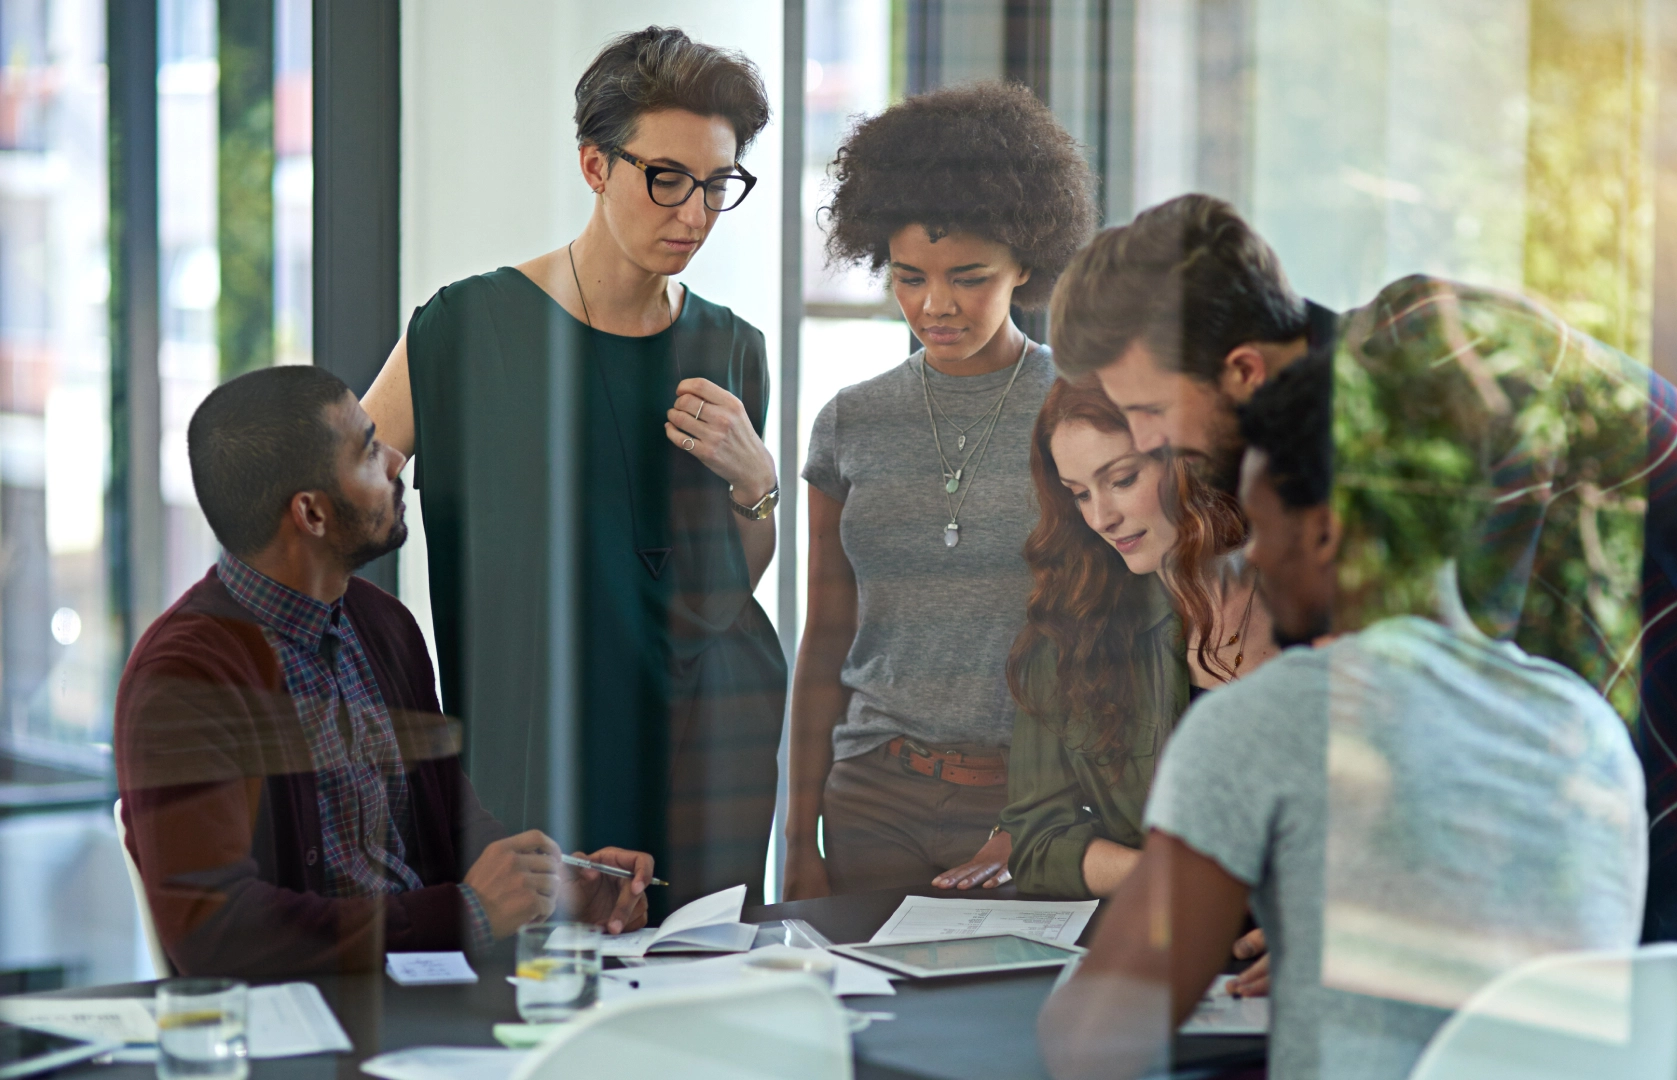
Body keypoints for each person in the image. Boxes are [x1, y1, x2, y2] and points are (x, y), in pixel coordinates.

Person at [1046, 193, 1677, 1077]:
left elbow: (1458, 673)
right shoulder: (1333, 447)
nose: (1150, 442)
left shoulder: (1432, 345)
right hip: (1627, 729)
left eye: (1145, 410)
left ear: (1245, 370)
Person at [1038, 354, 1650, 1080]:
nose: (1254, 557)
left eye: (1262, 528)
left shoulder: (1264, 721)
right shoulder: (1588, 727)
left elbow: (1095, 1042)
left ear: (1324, 533)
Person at [359, 29, 784, 912]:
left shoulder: (734, 347)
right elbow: (334, 509)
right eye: (666, 178)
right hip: (531, 738)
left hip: (702, 750)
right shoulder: (467, 328)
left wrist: (757, 481)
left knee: (697, 1009)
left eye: (717, 185)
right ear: (595, 165)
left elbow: (728, 584)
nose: (694, 214)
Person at [115, 367, 654, 977]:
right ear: (311, 514)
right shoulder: (183, 678)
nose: (397, 458)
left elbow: (453, 824)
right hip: (315, 1040)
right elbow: (220, 932)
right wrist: (469, 914)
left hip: (436, 998)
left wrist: (553, 891)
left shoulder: (384, 626)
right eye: (369, 450)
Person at [784, 82, 1099, 898]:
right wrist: (797, 832)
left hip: (1020, 802)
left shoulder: (1078, 411)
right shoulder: (850, 421)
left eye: (968, 277)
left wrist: (1035, 815)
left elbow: (1098, 637)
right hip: (869, 798)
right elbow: (826, 634)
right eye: (908, 276)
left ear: (1025, 260)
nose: (935, 305)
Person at [970, 378, 1273, 898]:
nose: (1101, 518)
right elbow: (1036, 840)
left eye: (1123, 479)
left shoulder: (1318, 599)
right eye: (1080, 494)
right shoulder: (1069, 636)